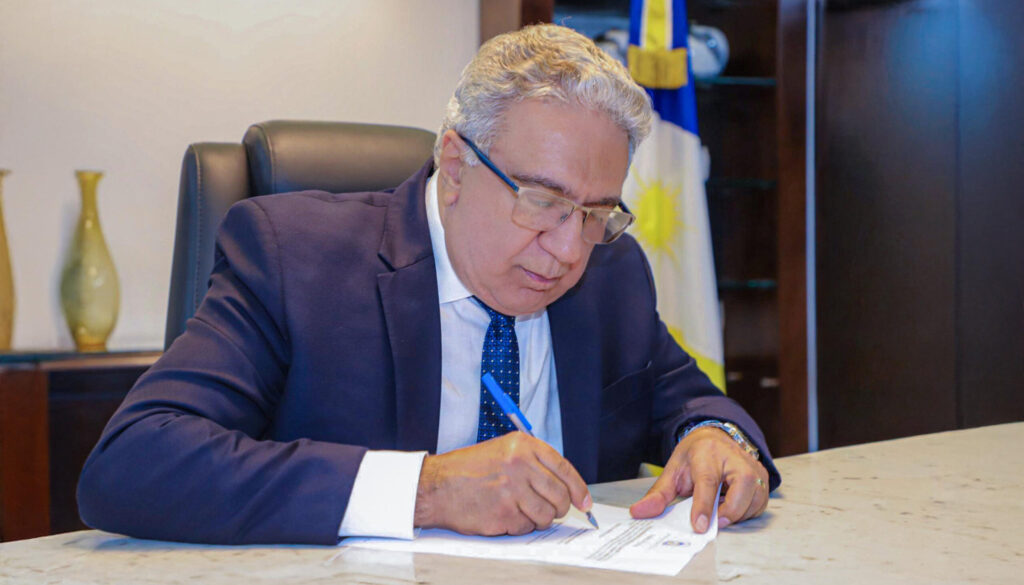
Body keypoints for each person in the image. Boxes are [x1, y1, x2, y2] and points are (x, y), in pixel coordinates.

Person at [77, 24, 780, 545]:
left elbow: (693, 401)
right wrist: (427, 489)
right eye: (542, 202)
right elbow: (133, 461)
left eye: (596, 213)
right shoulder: (293, 259)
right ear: (457, 164)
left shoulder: (611, 273)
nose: (570, 249)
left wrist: (716, 438)